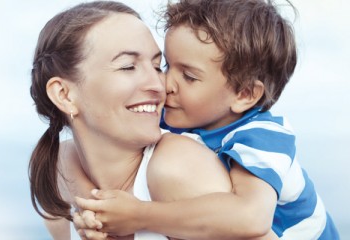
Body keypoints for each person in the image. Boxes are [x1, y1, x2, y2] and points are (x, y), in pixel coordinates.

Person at [71, 0, 340, 239]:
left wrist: (139, 215)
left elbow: (251, 217)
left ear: (245, 94)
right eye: (166, 66)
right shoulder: (180, 117)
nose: (166, 83)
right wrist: (97, 215)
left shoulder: (262, 136)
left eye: (189, 76)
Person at [28, 1, 241, 239]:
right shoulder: (60, 164)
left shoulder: (175, 167)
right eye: (128, 67)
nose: (158, 86)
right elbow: (55, 196)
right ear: (64, 95)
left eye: (157, 66)